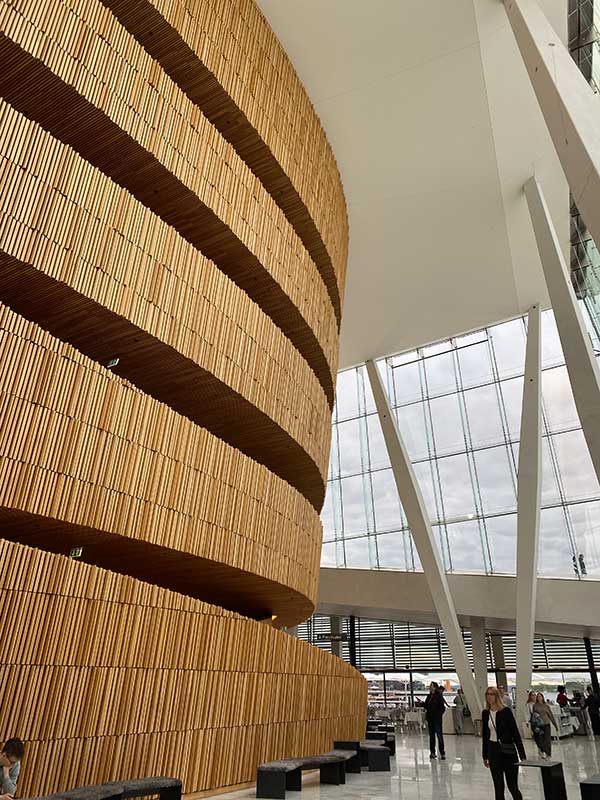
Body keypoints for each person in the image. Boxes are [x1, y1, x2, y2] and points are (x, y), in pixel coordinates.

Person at [482, 686, 526, 800]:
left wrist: (522, 755)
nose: (489, 697)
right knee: (498, 787)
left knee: (513, 787)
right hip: (493, 751)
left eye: (491, 694)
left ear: (496, 696)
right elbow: (485, 736)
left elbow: (515, 733)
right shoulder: (485, 713)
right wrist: (485, 755)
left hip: (508, 751)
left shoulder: (505, 711)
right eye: (487, 694)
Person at [424, 681, 446, 759]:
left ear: (434, 687)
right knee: (432, 736)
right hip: (430, 719)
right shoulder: (429, 696)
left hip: (437, 719)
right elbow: (426, 706)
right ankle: (432, 752)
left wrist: (438, 715)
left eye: (431, 686)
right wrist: (421, 703)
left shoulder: (438, 696)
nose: (429, 687)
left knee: (439, 736)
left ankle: (442, 753)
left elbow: (442, 708)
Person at [532, 693, 558, 759]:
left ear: (542, 697)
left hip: (546, 724)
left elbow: (551, 715)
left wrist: (555, 725)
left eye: (540, 696)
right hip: (539, 725)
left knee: (547, 740)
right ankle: (542, 751)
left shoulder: (546, 706)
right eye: (538, 697)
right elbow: (534, 716)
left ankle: (548, 754)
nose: (539, 698)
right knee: (540, 740)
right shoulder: (535, 706)